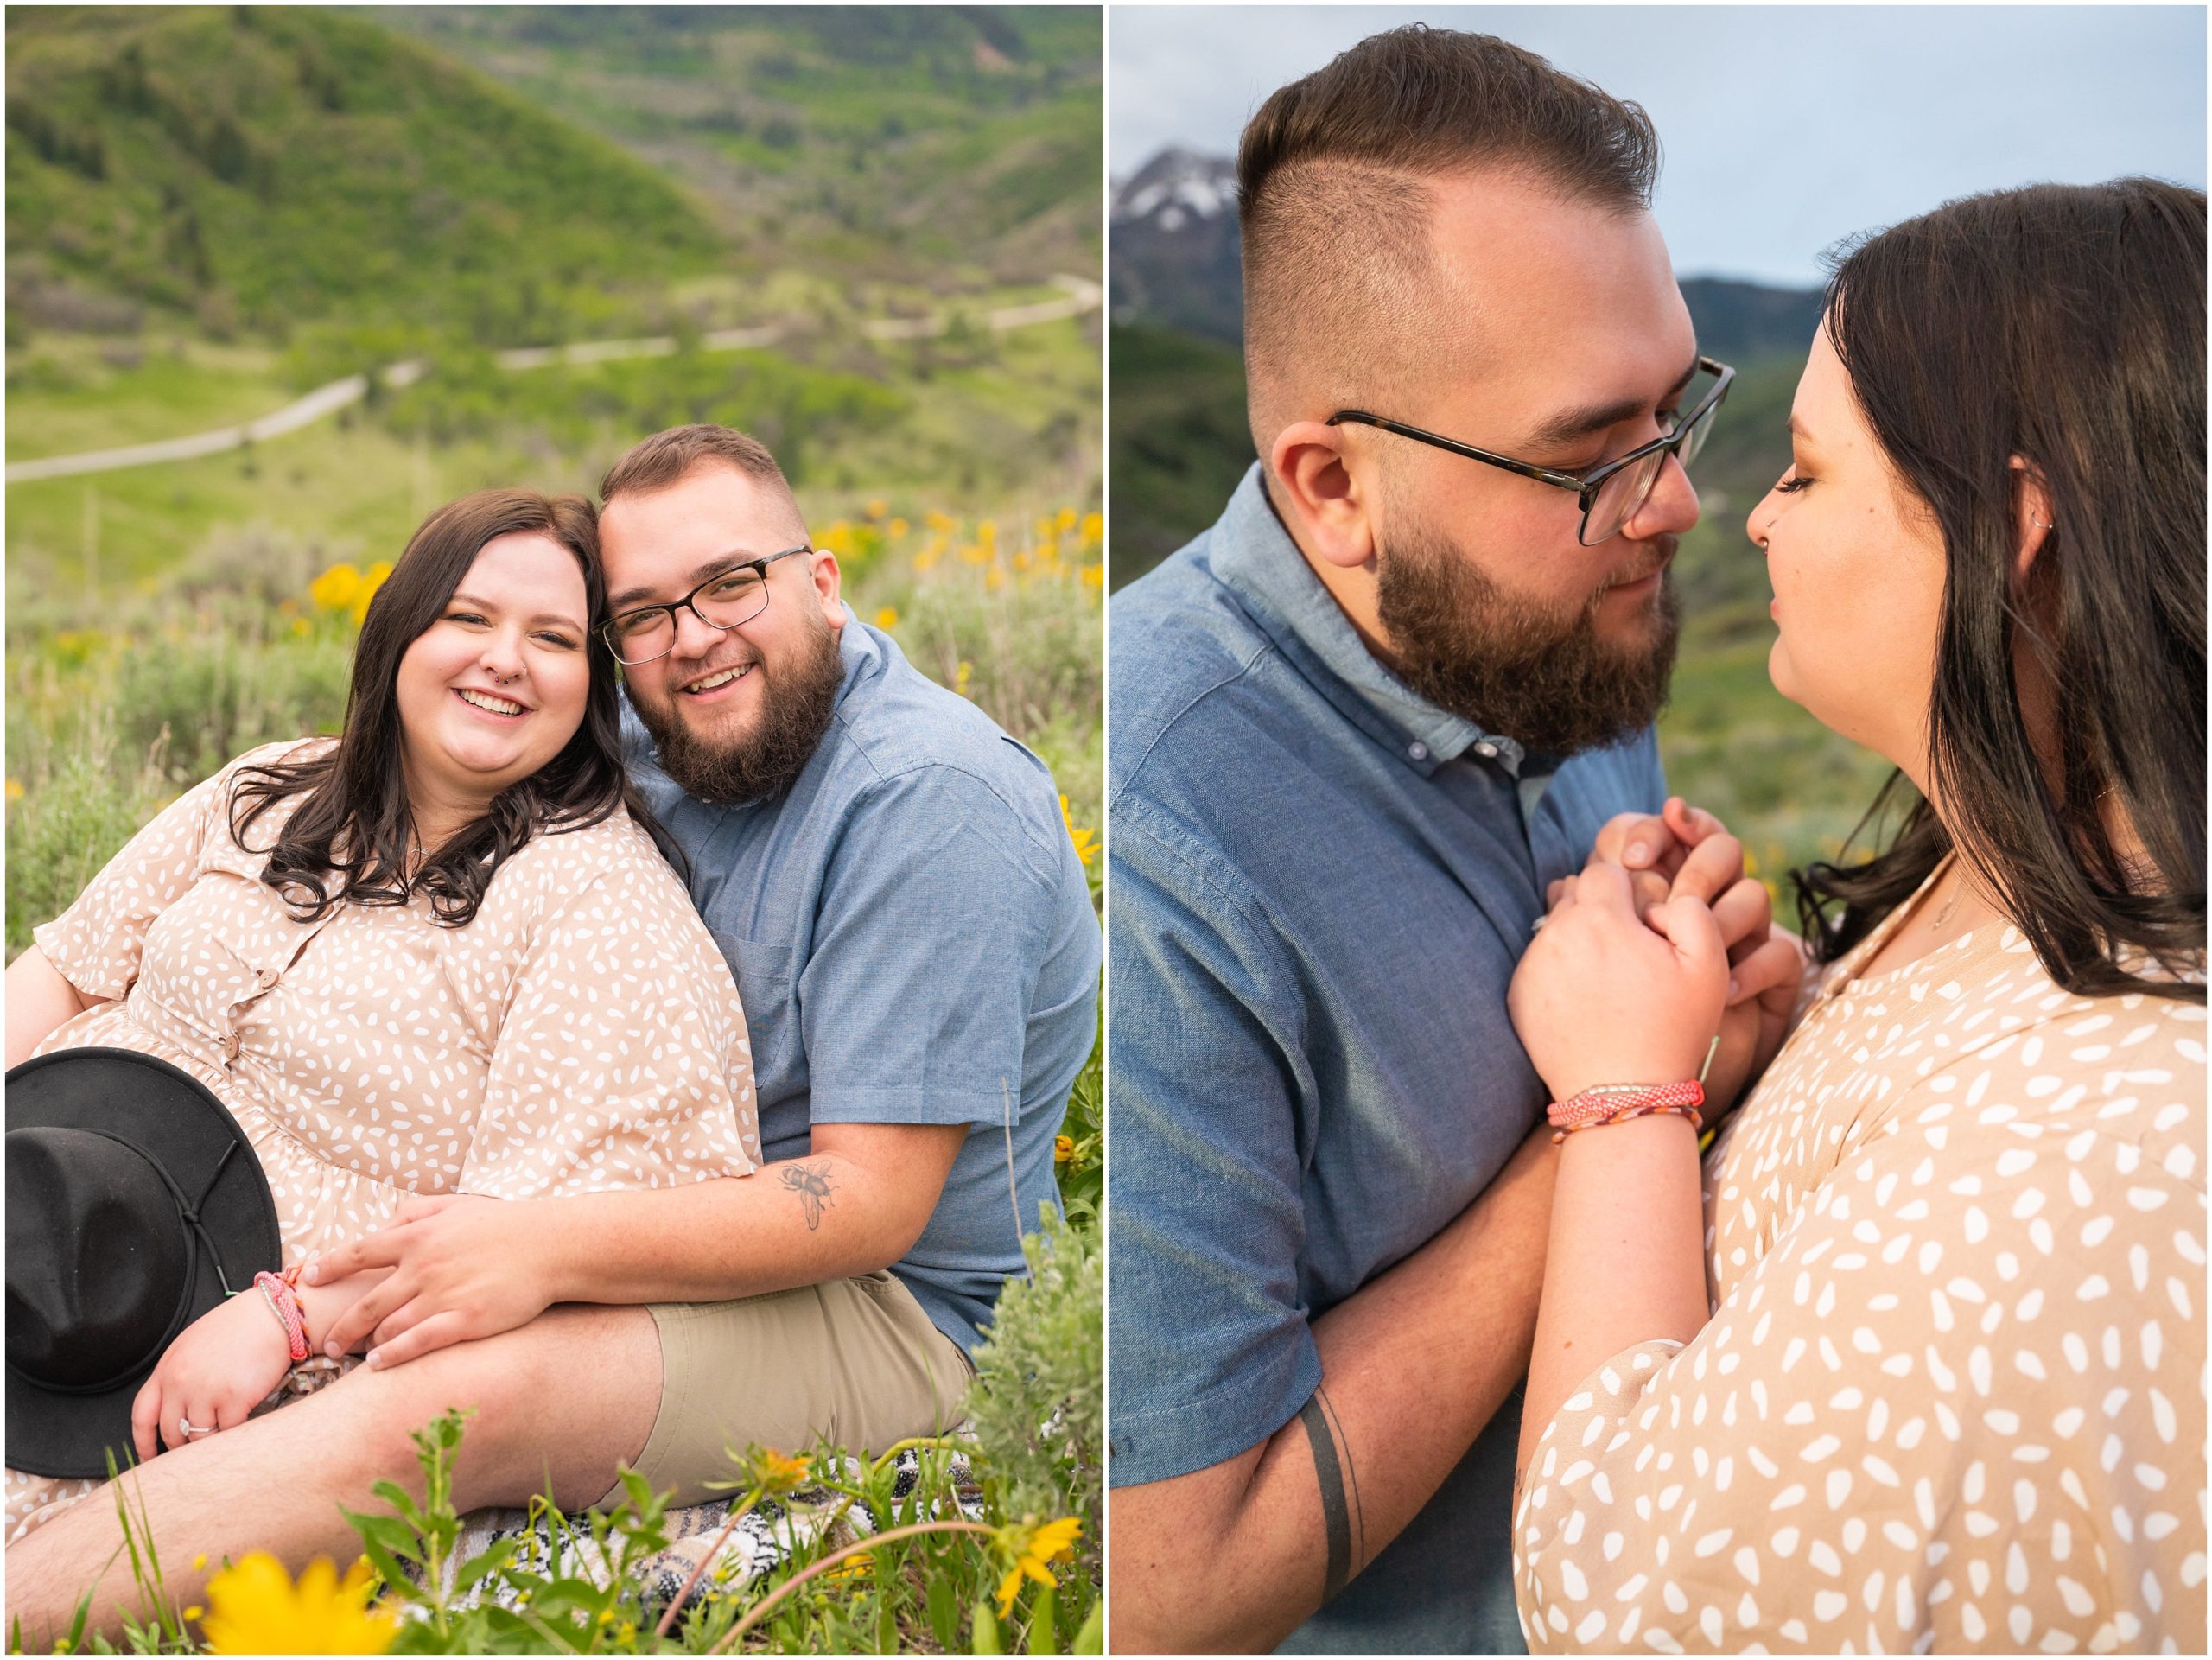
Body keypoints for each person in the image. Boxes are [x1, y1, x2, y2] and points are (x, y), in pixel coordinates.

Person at [5, 429, 1099, 1645]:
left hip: (876, 1300)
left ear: (824, 582)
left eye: (733, 582)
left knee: (456, 1397)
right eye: (640, 614)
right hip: (684, 1198)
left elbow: (871, 1205)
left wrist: (518, 1249)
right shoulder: (664, 720)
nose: (694, 636)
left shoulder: (927, 801)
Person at [1107, 27, 1791, 1654]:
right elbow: (1171, 1588)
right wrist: (1628, 1105)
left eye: (1675, 406)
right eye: (1590, 453)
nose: (1677, 501)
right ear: (1336, 485)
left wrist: (1722, 972)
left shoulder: (1553, 616)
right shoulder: (1154, 840)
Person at [1508, 177, 2206, 1652]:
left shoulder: (2078, 1148)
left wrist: (1624, 1092)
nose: (1747, 516)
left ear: (2012, 526)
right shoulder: (2021, 878)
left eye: (1810, 473)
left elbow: (1620, 1592)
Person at [5, 488, 763, 1545]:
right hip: (39, 1233)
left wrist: (287, 1312)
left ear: (590, 686)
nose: (504, 658)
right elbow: (68, 970)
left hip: (229, 1362)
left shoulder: (596, 905)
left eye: (551, 638)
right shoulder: (268, 790)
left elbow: (537, 1242)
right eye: (468, 617)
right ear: (400, 629)